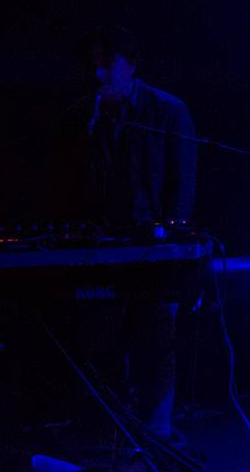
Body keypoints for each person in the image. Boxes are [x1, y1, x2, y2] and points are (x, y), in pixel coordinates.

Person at [77, 26, 197, 441]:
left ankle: (159, 431)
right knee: (105, 337)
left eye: (106, 64)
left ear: (130, 65)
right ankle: (117, 429)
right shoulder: (94, 113)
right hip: (109, 247)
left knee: (158, 339)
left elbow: (182, 184)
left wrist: (174, 240)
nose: (98, 74)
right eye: (95, 63)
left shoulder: (166, 111)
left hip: (157, 249)